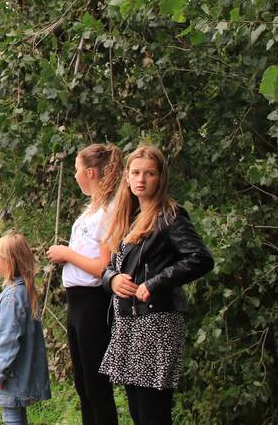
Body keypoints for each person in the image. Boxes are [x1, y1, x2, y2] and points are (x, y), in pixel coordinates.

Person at [99, 145, 214, 425]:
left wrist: (156, 282)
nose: (141, 179)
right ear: (126, 177)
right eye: (136, 172)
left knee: (153, 413)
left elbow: (201, 258)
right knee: (138, 411)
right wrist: (111, 280)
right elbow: (111, 268)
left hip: (157, 323)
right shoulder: (128, 217)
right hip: (128, 323)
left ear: (160, 178)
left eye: (149, 173)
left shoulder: (170, 215)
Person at [46, 144, 123, 425]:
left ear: (90, 171)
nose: (75, 176)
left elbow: (103, 268)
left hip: (93, 303)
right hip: (76, 302)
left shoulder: (109, 212)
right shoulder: (91, 210)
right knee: (82, 383)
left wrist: (67, 254)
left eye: (77, 170)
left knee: (96, 384)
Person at [0, 232, 51, 424]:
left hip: (12, 373)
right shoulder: (23, 292)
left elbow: (9, 338)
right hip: (19, 372)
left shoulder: (12, 297)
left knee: (12, 415)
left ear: (9, 262)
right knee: (15, 412)